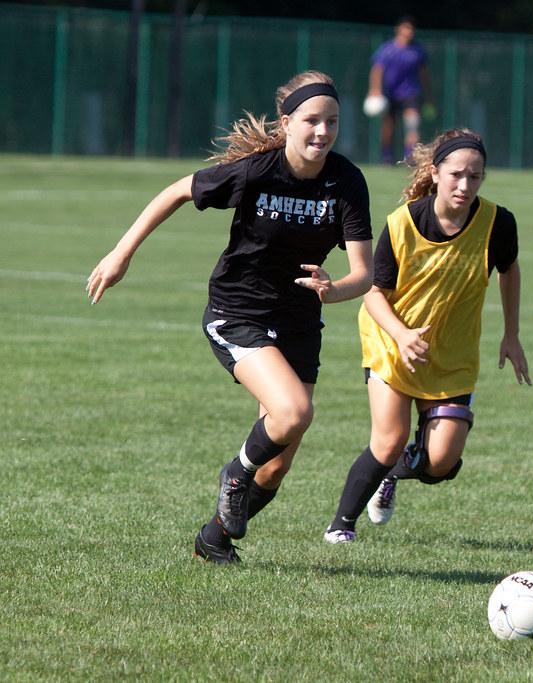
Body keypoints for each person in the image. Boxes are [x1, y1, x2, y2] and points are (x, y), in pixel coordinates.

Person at [86, 71, 374, 564]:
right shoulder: (256, 171)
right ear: (287, 124)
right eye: (311, 121)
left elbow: (364, 274)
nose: (322, 131)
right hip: (238, 309)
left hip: (300, 321)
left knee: (278, 465)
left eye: (332, 122)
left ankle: (214, 537)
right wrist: (121, 252)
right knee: (294, 413)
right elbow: (177, 191)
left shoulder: (346, 181)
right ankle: (234, 474)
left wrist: (333, 290)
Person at [324, 128, 530, 544]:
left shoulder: (497, 223)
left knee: (441, 463)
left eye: (475, 177)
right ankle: (341, 526)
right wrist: (400, 335)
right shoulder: (403, 224)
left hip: (452, 354)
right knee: (389, 439)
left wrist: (512, 334)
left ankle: (396, 472)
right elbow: (373, 294)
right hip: (391, 342)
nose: (465, 185)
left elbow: (509, 270)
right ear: (435, 173)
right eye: (456, 175)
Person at [367, 16, 433, 164]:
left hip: (411, 93)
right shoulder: (388, 49)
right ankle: (387, 156)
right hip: (390, 94)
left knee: (413, 124)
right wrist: (375, 90)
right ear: (398, 30)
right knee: (389, 126)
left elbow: (424, 74)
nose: (408, 32)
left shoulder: (418, 51)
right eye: (406, 29)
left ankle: (410, 157)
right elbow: (377, 70)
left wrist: (429, 94)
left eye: (411, 29)